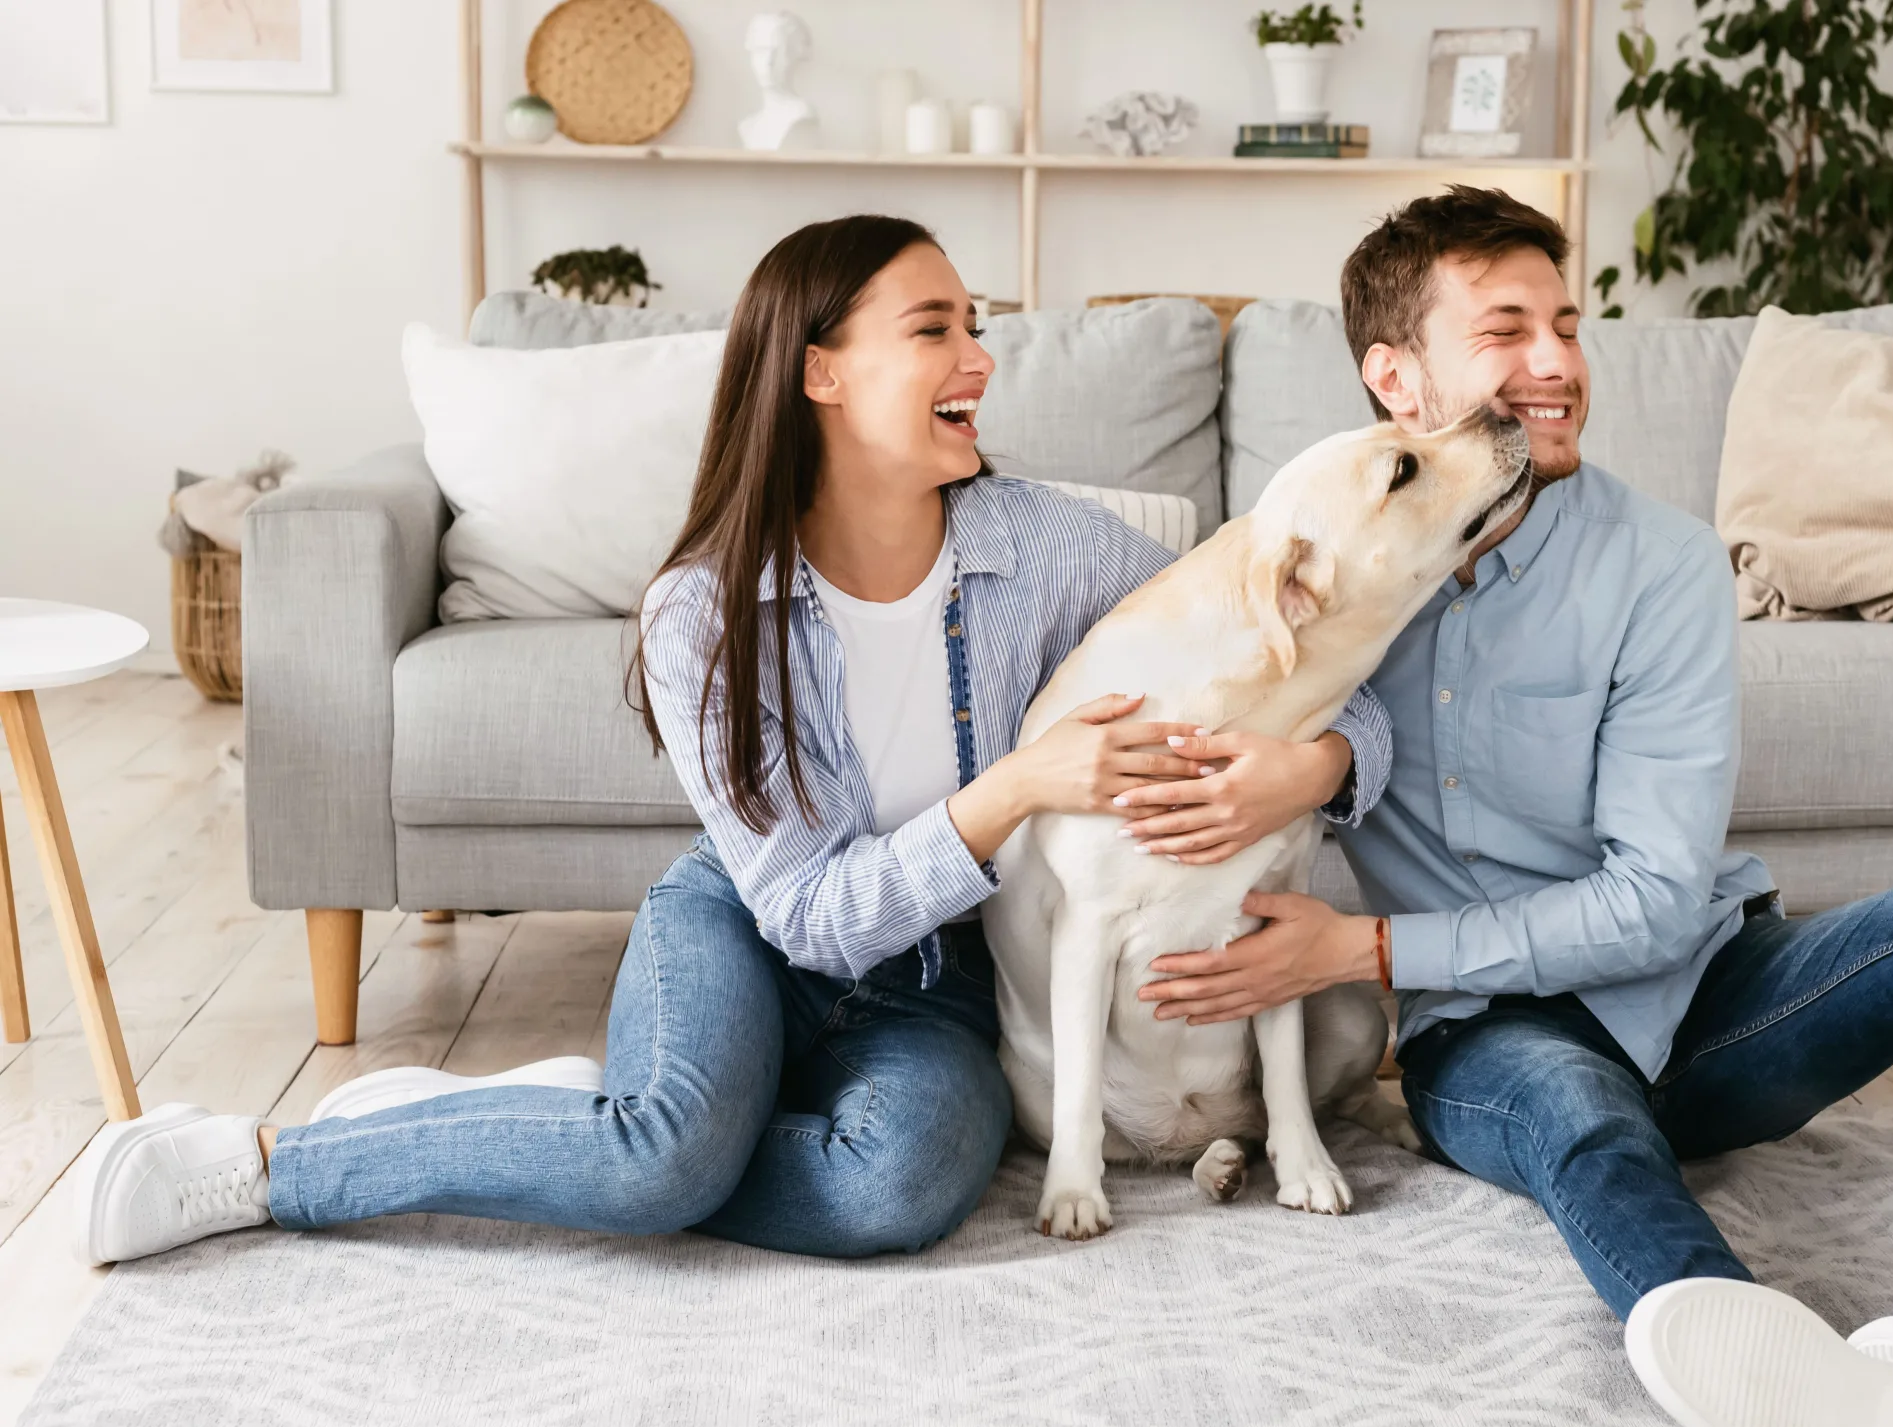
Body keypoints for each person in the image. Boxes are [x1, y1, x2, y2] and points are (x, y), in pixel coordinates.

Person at [1128, 187, 1893, 1427]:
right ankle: (1757, 1346)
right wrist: (1308, 761)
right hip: (1484, 1032)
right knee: (1575, 1109)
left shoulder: (1662, 566)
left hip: (1705, 992)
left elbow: (1659, 903)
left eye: (1566, 323)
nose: (1555, 363)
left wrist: (1360, 945)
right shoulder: (1345, 568)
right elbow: (1212, 655)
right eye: (1505, 331)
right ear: (1396, 375)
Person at [74, 214, 1390, 1266]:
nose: (980, 359)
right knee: (667, 1154)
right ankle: (281, 1164)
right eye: (934, 328)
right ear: (819, 368)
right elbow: (811, 915)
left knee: (902, 1186)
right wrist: (1015, 789)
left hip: (941, 977)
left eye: (975, 326)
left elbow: (1313, 661)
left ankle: (587, 1129)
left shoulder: (1054, 547)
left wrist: (1319, 766)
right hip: (749, 932)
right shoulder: (704, 607)